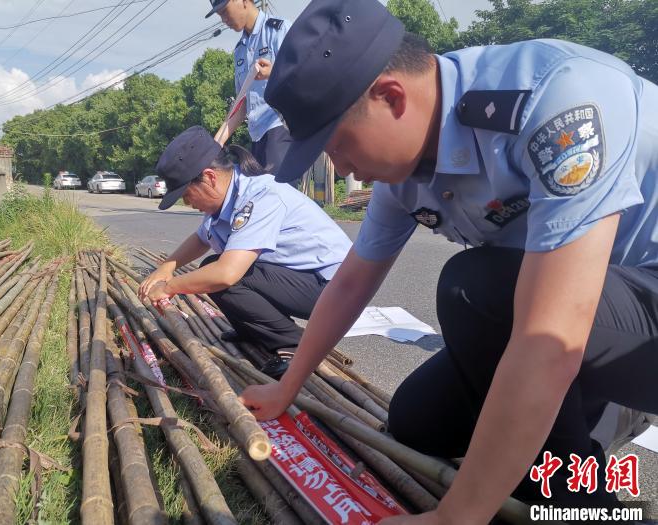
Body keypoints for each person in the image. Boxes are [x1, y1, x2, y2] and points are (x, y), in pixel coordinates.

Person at [239, 0, 658, 522]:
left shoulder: (557, 105)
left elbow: (549, 340)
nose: (342, 168)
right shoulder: (407, 170)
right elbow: (351, 282)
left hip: (637, 307)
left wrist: (452, 517)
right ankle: (582, 420)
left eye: (338, 145)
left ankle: (577, 502)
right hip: (587, 311)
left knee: (472, 289)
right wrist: (287, 385)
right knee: (418, 423)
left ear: (391, 97)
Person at [138, 126, 352, 378]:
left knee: (222, 275)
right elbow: (201, 238)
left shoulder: (260, 196)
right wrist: (168, 265)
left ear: (209, 177)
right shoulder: (227, 198)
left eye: (186, 194)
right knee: (213, 264)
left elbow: (226, 274)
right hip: (306, 281)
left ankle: (294, 345)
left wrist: (169, 287)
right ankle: (253, 331)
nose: (188, 203)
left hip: (336, 290)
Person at [205, 0, 293, 175]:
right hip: (256, 136)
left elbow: (305, 74)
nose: (223, 20)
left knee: (277, 197)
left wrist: (273, 72)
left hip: (280, 129)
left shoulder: (278, 30)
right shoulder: (239, 51)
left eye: (224, 11)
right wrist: (216, 143)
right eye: (219, 15)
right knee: (257, 197)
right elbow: (241, 103)